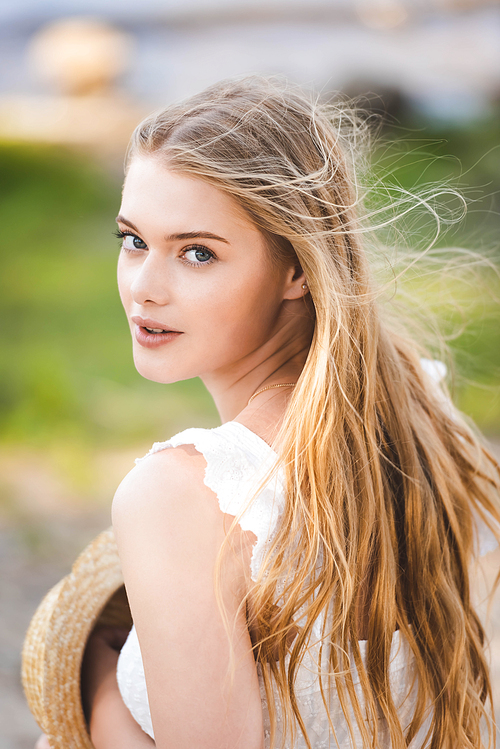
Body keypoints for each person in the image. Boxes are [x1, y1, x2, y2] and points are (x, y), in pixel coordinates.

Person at [36, 76, 500, 749]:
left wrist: (98, 694)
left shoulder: (182, 496)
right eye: (133, 240)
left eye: (197, 252)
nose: (144, 287)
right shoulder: (420, 411)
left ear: (296, 268)